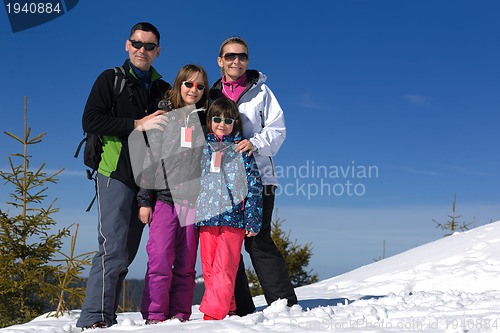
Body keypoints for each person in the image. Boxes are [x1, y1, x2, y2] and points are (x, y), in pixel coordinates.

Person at [76, 22, 170, 330]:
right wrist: (136, 124)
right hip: (114, 172)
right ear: (127, 45)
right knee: (113, 247)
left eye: (149, 46)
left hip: (146, 179)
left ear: (158, 51)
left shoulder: (162, 88)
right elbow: (90, 119)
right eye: (137, 44)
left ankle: (107, 317)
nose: (143, 50)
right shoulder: (111, 79)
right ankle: (94, 319)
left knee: (126, 253)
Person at [209, 36, 298, 316]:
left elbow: (278, 129)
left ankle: (284, 303)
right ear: (220, 60)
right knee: (229, 242)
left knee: (257, 241)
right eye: (231, 56)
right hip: (223, 183)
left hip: (259, 175)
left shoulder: (262, 92)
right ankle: (239, 309)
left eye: (243, 56)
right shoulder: (211, 95)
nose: (237, 61)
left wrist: (255, 142)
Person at [137, 64, 208, 324]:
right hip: (164, 199)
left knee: (187, 265)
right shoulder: (165, 117)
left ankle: (180, 315)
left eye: (200, 86)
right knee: (159, 259)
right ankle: (155, 315)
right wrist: (145, 201)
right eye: (189, 84)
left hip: (192, 202)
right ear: (179, 85)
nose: (194, 89)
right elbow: (150, 160)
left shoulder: (205, 119)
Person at [195, 97, 263, 320]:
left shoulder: (241, 150)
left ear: (235, 123)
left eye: (228, 120)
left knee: (225, 266)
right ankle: (229, 307)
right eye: (216, 119)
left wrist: (252, 220)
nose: (222, 124)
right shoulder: (201, 149)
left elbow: (254, 186)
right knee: (209, 268)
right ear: (209, 121)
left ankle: (213, 315)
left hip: (233, 219)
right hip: (206, 218)